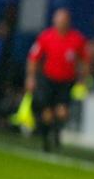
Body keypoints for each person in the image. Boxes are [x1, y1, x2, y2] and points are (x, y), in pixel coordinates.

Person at [25, 8, 89, 151]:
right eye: (58, 20)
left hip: (66, 81)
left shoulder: (77, 39)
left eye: (63, 20)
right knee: (47, 113)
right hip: (48, 79)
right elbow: (33, 57)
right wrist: (31, 77)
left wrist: (82, 79)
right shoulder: (46, 37)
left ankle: (56, 132)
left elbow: (84, 60)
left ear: (68, 21)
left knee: (62, 112)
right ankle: (46, 139)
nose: (60, 23)